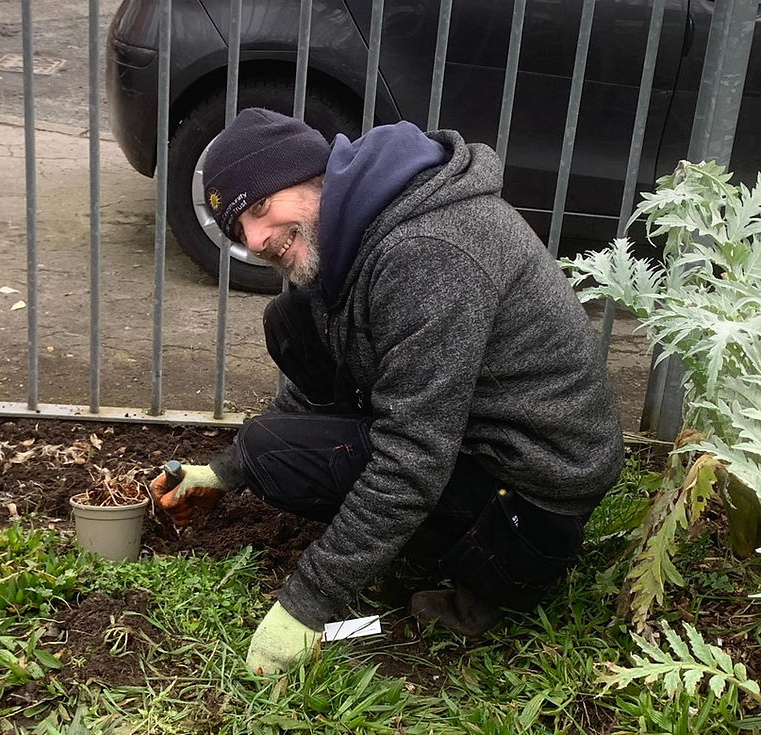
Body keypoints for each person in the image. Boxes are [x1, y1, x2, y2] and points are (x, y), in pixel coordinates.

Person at [149, 108, 624, 676]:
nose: (255, 241)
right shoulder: (356, 233)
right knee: (291, 322)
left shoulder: (427, 252)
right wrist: (224, 472)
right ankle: (414, 536)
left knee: (273, 453)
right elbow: (318, 393)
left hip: (530, 498)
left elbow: (413, 455)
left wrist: (306, 604)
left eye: (259, 208)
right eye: (237, 232)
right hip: (474, 438)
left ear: (310, 176)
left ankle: (485, 580)